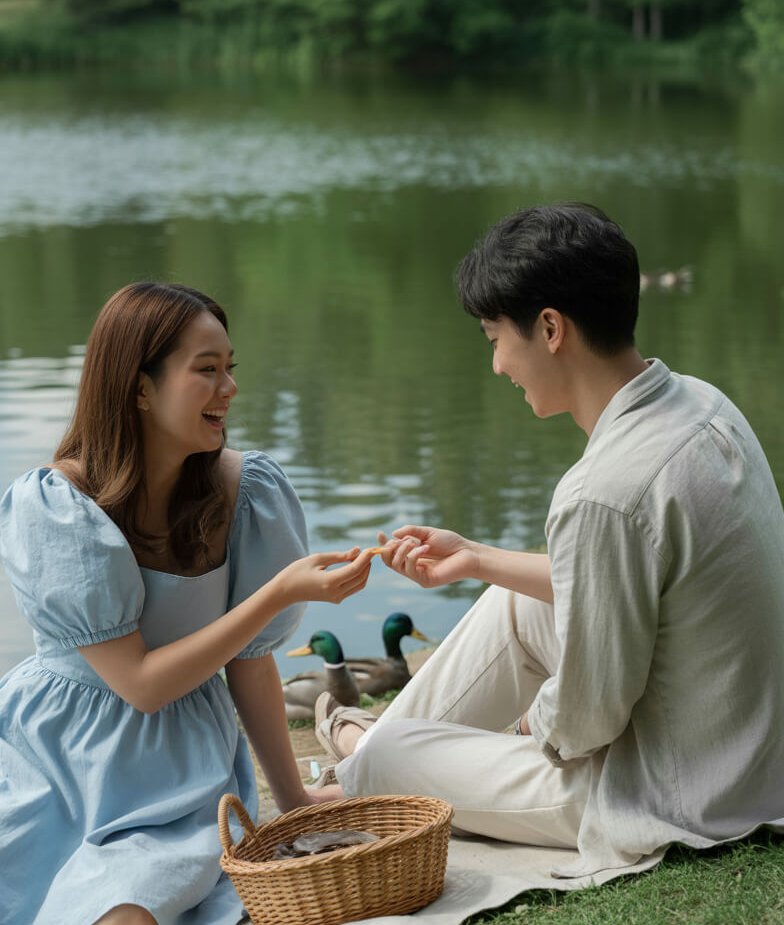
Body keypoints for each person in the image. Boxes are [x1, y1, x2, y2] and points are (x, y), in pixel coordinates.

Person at [317, 202, 784, 878]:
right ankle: (371, 758)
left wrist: (533, 722)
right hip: (743, 753)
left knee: (387, 760)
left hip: (676, 794)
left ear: (550, 328)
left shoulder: (603, 490)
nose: (500, 365)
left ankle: (365, 759)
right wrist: (476, 560)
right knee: (512, 599)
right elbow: (630, 574)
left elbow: (586, 722)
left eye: (494, 339)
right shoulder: (703, 403)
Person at [0, 282, 374, 925]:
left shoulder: (247, 492)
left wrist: (291, 797)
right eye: (206, 370)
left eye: (230, 366)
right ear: (140, 389)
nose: (229, 387)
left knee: (132, 920)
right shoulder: (59, 505)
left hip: (176, 775)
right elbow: (139, 684)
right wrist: (275, 595)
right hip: (56, 756)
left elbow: (249, 660)